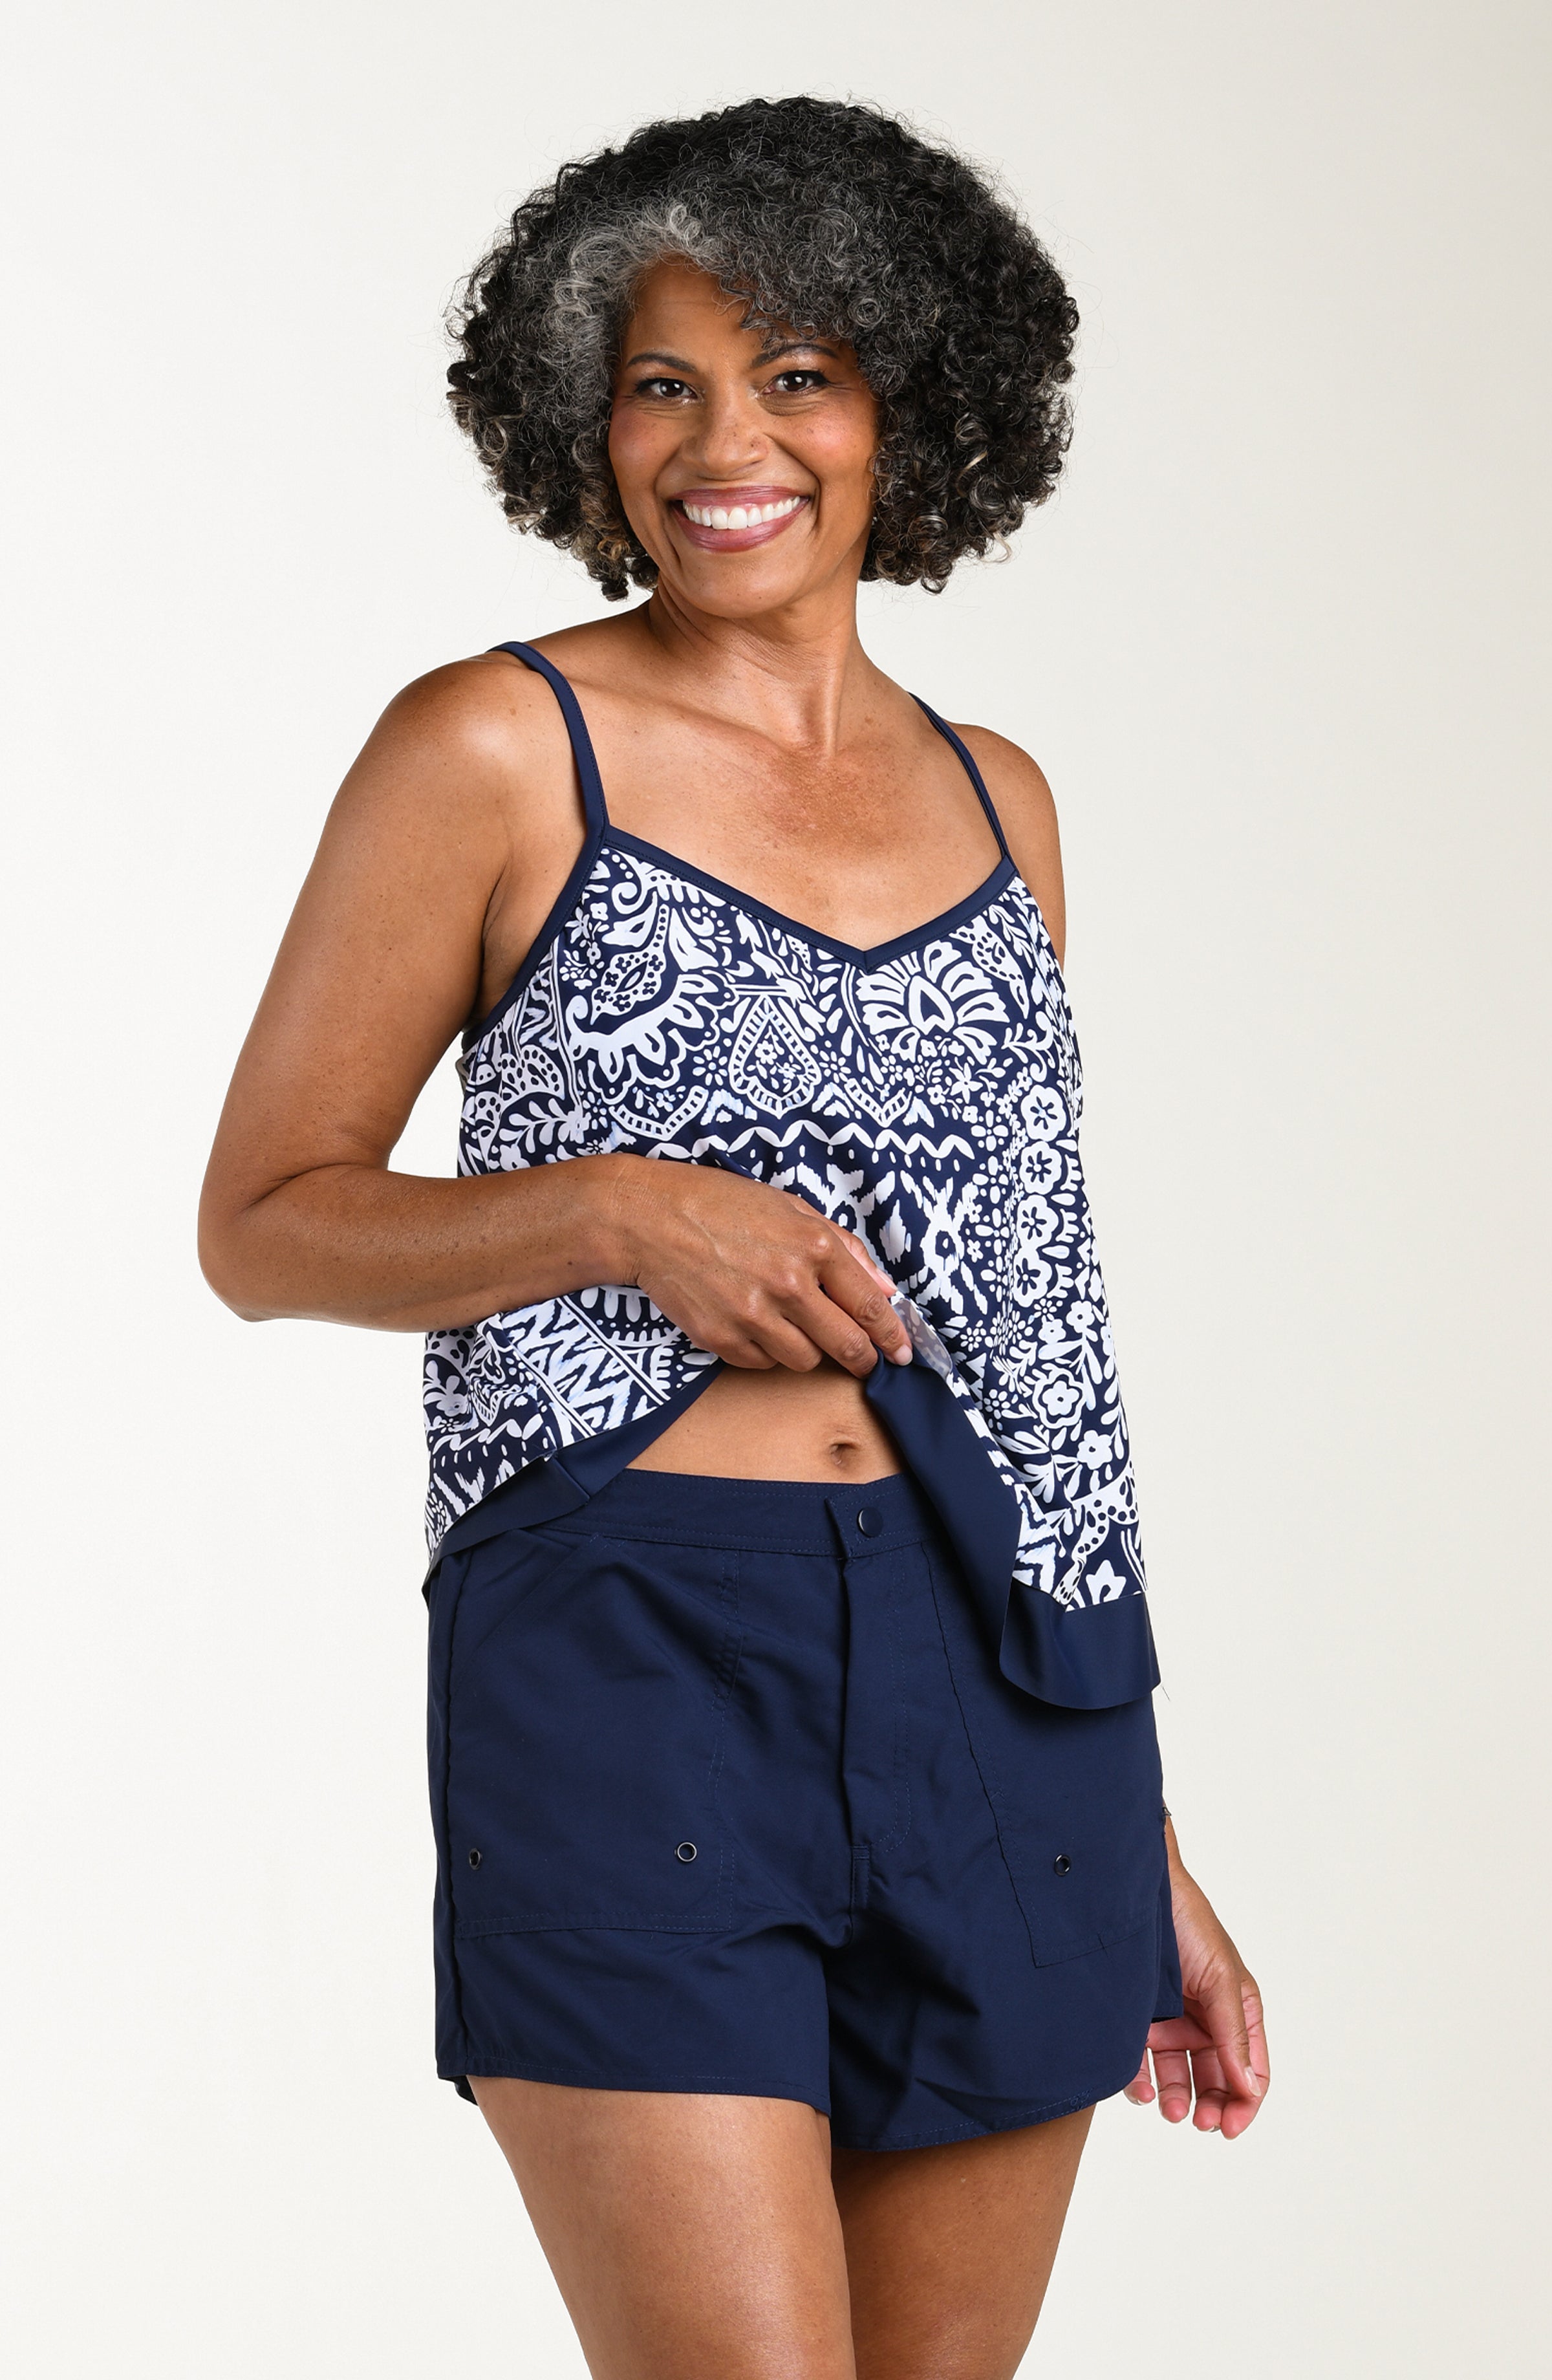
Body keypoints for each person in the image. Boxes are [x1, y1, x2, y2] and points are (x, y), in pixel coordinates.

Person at [200, 95, 1267, 2380]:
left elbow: (1044, 1348)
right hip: (636, 1658)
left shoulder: (1007, 801)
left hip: (1008, 1682)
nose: (724, 444)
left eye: (795, 376)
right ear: (584, 415)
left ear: (911, 406)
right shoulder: (493, 750)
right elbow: (262, 1222)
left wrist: (1143, 1822)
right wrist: (613, 1214)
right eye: (660, 381)